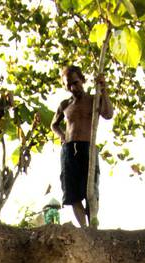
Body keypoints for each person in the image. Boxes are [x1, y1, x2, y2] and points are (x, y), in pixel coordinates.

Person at [51, 65, 113, 227]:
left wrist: (104, 88)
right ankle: (84, 229)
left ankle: (93, 222)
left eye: (76, 83)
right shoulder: (65, 104)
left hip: (88, 147)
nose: (73, 87)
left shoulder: (94, 100)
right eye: (69, 84)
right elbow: (54, 125)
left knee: (90, 189)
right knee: (72, 192)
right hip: (69, 150)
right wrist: (63, 136)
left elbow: (108, 114)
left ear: (83, 80)